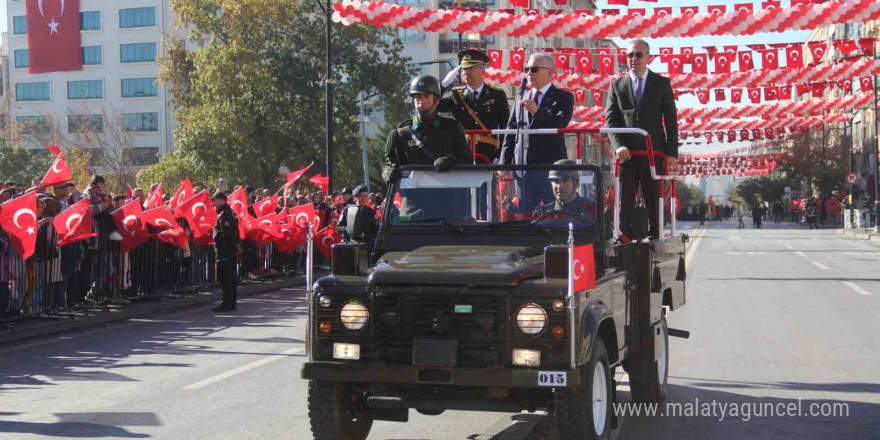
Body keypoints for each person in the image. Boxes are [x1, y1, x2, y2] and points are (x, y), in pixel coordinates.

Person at [606, 39, 679, 240]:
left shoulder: (661, 84)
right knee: (624, 202)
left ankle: (655, 241)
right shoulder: (616, 86)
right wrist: (618, 146)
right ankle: (624, 241)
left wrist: (671, 154)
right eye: (630, 55)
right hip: (627, 156)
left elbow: (671, 121)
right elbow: (611, 121)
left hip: (653, 153)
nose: (634, 59)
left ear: (648, 57)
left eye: (638, 55)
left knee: (654, 201)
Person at [500, 52, 574, 214]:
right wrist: (505, 161)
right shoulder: (522, 96)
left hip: (549, 167)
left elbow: (561, 123)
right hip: (523, 167)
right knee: (525, 215)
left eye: (534, 69)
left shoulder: (563, 97)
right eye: (527, 69)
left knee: (553, 213)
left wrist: (537, 111)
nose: (529, 73)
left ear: (549, 73)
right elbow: (511, 130)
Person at [383, 75, 472, 184]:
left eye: (426, 96)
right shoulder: (401, 133)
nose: (421, 100)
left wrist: (452, 162)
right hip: (413, 196)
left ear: (437, 100)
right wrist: (387, 172)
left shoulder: (452, 128)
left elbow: (467, 162)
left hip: (446, 193)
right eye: (417, 96)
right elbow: (390, 164)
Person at [438, 49, 511, 164]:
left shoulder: (497, 95)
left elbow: (505, 129)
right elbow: (433, 106)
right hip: (462, 155)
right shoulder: (457, 95)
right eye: (464, 68)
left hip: (489, 156)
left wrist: (500, 157)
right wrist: (443, 85)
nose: (466, 72)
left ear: (482, 70)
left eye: (470, 68)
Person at [212, 191, 240, 312]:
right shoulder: (229, 213)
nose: (214, 203)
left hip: (225, 251)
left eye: (216, 200)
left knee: (226, 278)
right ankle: (231, 302)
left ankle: (227, 302)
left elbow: (227, 235)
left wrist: (228, 249)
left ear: (222, 200)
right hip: (228, 251)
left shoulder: (224, 214)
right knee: (230, 277)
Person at [336, 185, 379, 250]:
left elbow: (375, 231)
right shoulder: (347, 210)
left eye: (365, 196)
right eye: (361, 196)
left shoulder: (371, 212)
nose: (363, 199)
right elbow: (338, 228)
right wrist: (351, 230)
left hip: (367, 247)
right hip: (351, 246)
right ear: (355, 197)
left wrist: (365, 235)